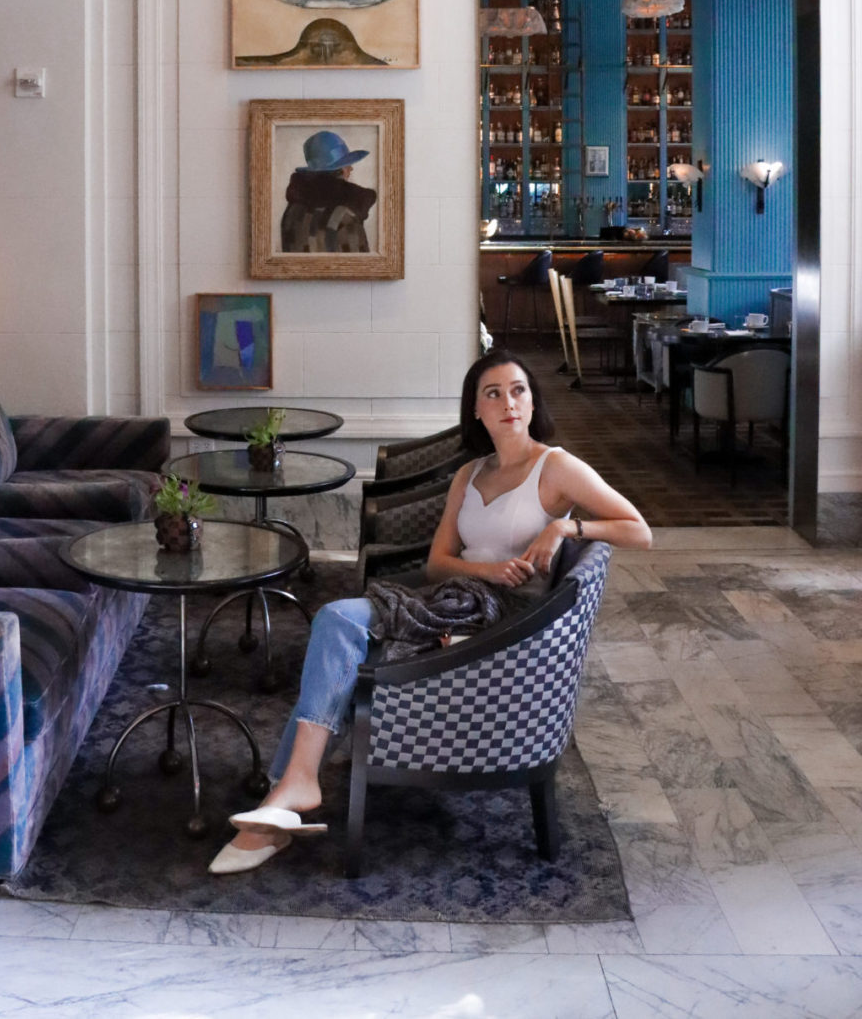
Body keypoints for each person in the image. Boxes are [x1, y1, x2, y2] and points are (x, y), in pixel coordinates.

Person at [209, 346, 652, 874]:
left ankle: (281, 801)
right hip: (454, 600)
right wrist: (488, 569)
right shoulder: (469, 474)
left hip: (502, 630)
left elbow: (638, 530)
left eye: (518, 391)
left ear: (533, 402)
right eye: (493, 394)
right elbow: (439, 563)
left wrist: (564, 526)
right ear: (477, 411)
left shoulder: (555, 467)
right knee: (336, 622)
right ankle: (293, 787)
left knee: (343, 643)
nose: (508, 403)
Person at [280, 129, 377, 254]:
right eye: (346, 164)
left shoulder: (291, 212)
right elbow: (361, 264)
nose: (351, 168)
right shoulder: (345, 216)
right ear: (338, 170)